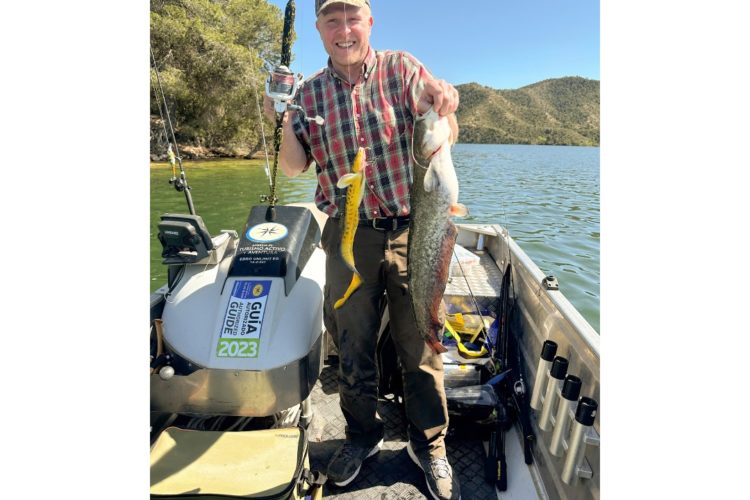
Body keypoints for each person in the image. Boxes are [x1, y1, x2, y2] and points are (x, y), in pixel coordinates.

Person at [264, 1, 460, 498]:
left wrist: (447, 104)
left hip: (414, 227)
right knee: (352, 343)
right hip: (347, 235)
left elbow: (443, 128)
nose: (344, 29)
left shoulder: (402, 68)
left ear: (369, 23)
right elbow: (291, 168)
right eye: (333, 20)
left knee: (421, 341)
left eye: (353, 18)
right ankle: (362, 435)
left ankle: (430, 443)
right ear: (319, 30)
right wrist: (284, 118)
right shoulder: (308, 94)